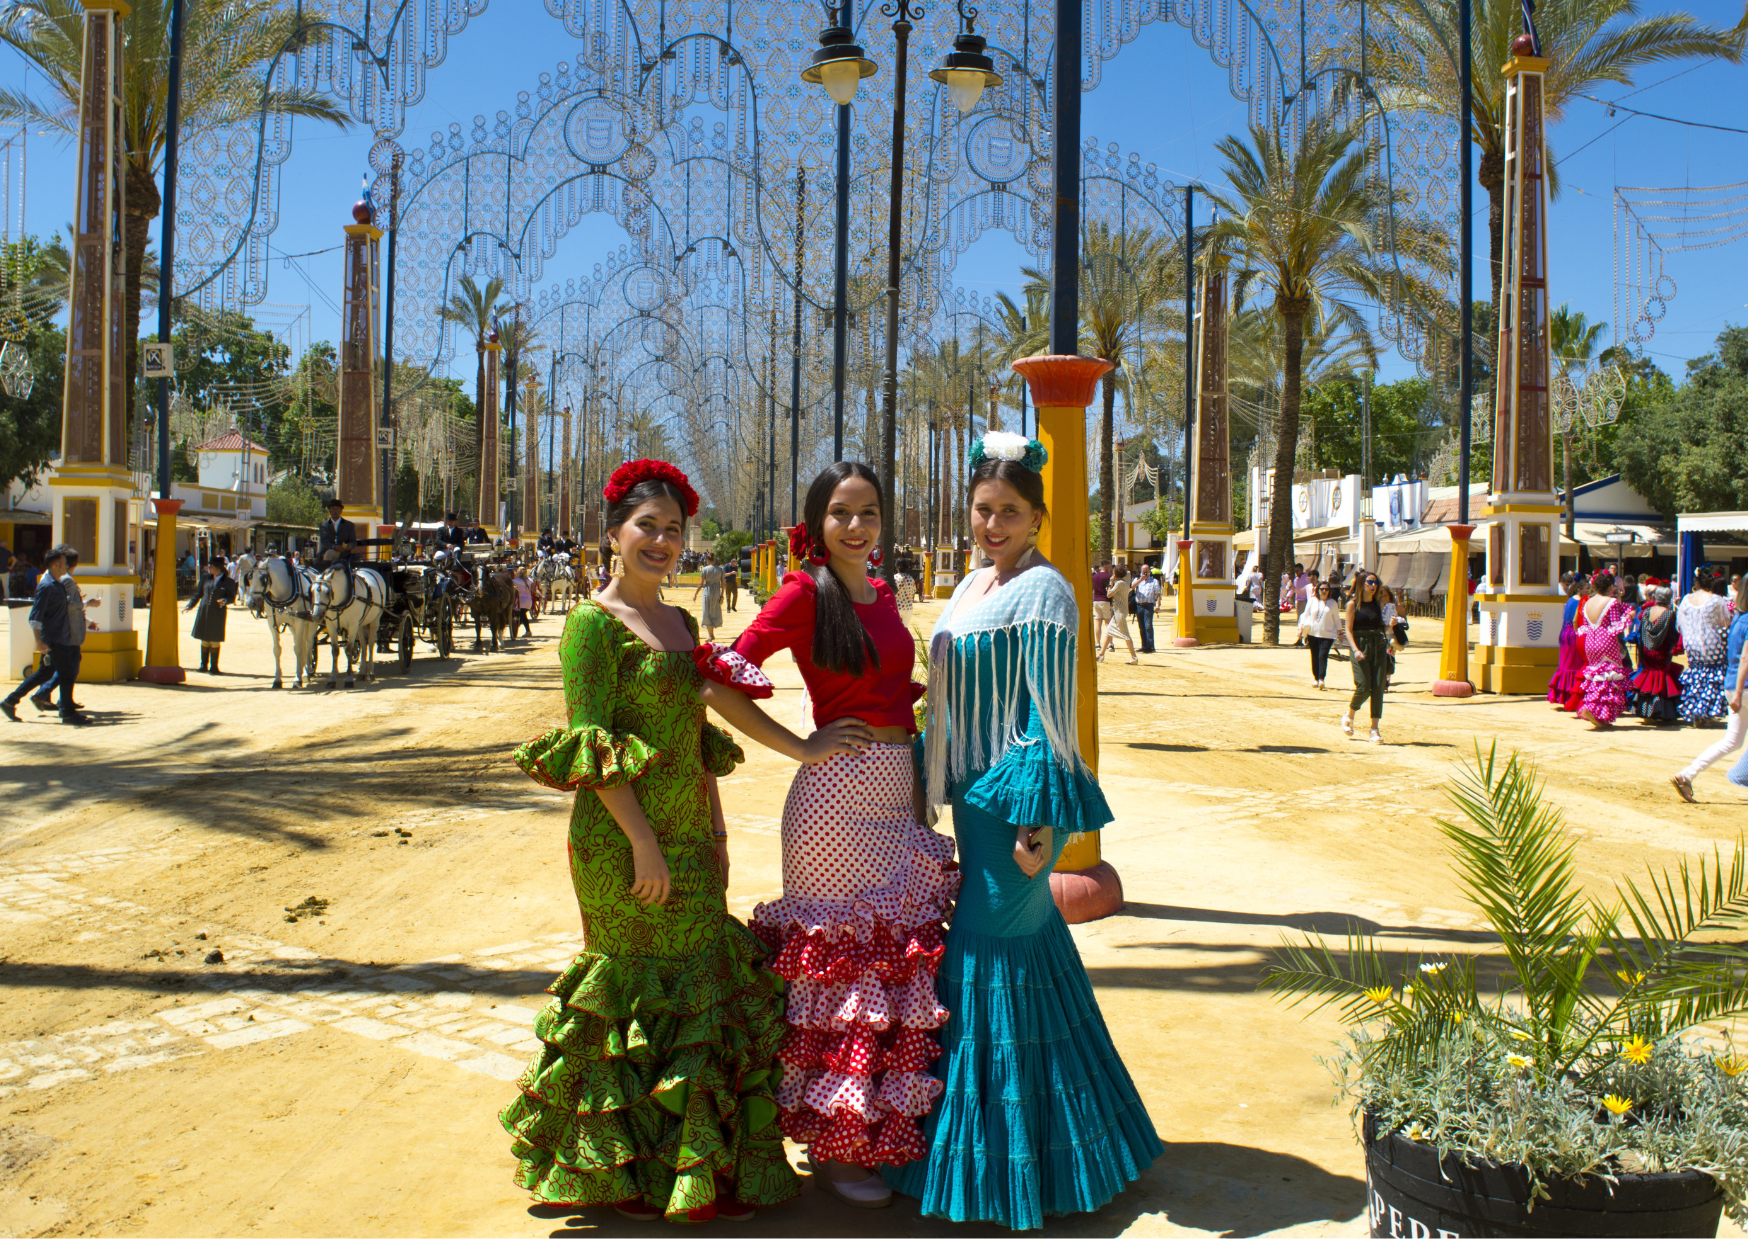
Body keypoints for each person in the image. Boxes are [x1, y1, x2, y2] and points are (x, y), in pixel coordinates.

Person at [503, 460, 795, 1223]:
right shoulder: (590, 627)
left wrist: (722, 820)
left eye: (673, 529)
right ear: (613, 535)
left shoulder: (681, 624)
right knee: (632, 992)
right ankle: (623, 1173)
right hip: (619, 841)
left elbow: (701, 729)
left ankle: (694, 1174)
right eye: (647, 527)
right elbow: (591, 748)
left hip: (692, 833)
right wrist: (644, 845)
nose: (662, 541)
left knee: (700, 985)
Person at [890, 432, 1162, 1228]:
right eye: (983, 509)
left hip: (1015, 814)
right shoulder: (973, 583)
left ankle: (1009, 1167)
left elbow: (1050, 715)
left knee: (990, 953)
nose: (993, 522)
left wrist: (1038, 821)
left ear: (1039, 517)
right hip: (973, 803)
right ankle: (1078, 1141)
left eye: (1010, 510)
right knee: (1028, 953)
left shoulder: (1046, 592)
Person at [703, 462, 956, 1207]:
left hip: (893, 789)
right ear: (816, 523)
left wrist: (915, 792)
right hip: (832, 804)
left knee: (894, 968)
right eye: (841, 513)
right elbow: (720, 676)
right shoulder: (802, 593)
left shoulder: (881, 594)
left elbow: (901, 708)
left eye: (869, 512)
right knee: (846, 976)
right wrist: (799, 747)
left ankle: (880, 1133)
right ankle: (840, 1147)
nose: (856, 526)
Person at [1677, 575, 1748, 802]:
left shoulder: (1738, 618)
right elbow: (1746, 658)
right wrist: (1738, 693)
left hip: (1732, 683)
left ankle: (1687, 774)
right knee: (1732, 741)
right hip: (1742, 687)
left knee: (1732, 741)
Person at [1, 544, 90, 725]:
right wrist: (39, 641)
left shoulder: (56, 584)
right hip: (54, 638)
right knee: (66, 673)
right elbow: (35, 616)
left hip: (59, 636)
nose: (67, 566)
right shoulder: (47, 586)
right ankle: (67, 712)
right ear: (56, 564)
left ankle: (10, 701)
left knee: (44, 673)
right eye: (65, 563)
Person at [1575, 570, 1633, 728]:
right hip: (1606, 641)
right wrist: (1629, 616)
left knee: (1596, 676)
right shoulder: (1611, 602)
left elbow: (1584, 626)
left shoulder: (1587, 602)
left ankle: (1592, 708)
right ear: (1609, 587)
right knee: (1609, 678)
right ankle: (1602, 715)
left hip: (1590, 642)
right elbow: (1616, 627)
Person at [1678, 568, 1732, 726]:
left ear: (1697, 582)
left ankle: (1696, 710)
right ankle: (1707, 710)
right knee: (1713, 677)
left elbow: (1680, 624)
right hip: (1712, 642)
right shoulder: (1716, 600)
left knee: (1697, 675)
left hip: (1692, 643)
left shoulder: (1687, 599)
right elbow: (1725, 621)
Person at [1341, 570, 1389, 743]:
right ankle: (1350, 714)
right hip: (1360, 645)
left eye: (1376, 583)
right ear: (1362, 584)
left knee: (1378, 686)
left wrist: (1392, 625)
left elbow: (1385, 628)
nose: (1374, 586)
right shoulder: (1353, 604)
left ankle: (1374, 729)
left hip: (1378, 644)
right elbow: (1348, 629)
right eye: (1370, 582)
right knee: (1363, 685)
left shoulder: (1379, 604)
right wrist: (1355, 649)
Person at [1630, 585, 1682, 724]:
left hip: (1647, 650)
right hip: (1661, 650)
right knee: (1661, 678)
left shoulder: (1647, 611)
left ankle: (1645, 711)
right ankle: (1661, 711)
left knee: (1648, 677)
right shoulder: (1669, 613)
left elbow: (1641, 631)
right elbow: (1671, 635)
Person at [185, 556, 239, 673]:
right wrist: (189, 605)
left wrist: (225, 600)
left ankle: (214, 667)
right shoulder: (205, 578)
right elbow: (198, 594)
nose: (209, 568)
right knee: (204, 639)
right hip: (204, 611)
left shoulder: (229, 582)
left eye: (211, 566)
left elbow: (231, 597)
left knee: (214, 640)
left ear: (218, 568)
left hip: (217, 612)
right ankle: (203, 665)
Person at [1546, 573, 1584, 708]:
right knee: (1574, 665)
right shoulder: (1580, 602)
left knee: (1565, 665)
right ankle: (1570, 696)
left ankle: (1563, 696)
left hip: (1565, 633)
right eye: (1587, 589)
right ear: (1580, 590)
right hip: (1573, 634)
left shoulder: (1570, 600)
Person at [1302, 579, 1339, 689]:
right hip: (1313, 633)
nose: (1324, 591)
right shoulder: (1312, 601)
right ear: (1318, 590)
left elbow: (1336, 619)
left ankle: (1321, 678)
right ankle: (1316, 678)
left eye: (1326, 589)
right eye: (1322, 589)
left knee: (1322, 655)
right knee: (1315, 656)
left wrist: (1340, 632)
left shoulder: (1333, 603)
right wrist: (1301, 627)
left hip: (1328, 634)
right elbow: (1306, 614)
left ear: (1329, 591)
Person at [1097, 564, 1138, 664]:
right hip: (1119, 612)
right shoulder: (1124, 583)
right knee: (1108, 632)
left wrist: (1110, 584)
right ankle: (1101, 655)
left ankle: (1134, 657)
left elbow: (1109, 595)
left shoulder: (1119, 583)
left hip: (1119, 612)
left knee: (1126, 634)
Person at [317, 497, 358, 589]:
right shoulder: (324, 525)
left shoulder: (349, 525)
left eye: (337, 509)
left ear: (340, 511)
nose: (335, 511)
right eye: (332, 509)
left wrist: (348, 546)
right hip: (328, 552)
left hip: (344, 553)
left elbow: (353, 541)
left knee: (331, 553)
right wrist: (334, 547)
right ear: (330, 511)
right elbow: (324, 541)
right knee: (330, 552)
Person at [691, 552, 724, 642]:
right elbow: (723, 583)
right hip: (717, 591)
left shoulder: (705, 569)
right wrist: (722, 595)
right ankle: (711, 634)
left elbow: (701, 584)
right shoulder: (720, 569)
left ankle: (710, 635)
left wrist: (695, 594)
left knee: (707, 611)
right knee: (714, 610)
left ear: (708, 560)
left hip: (708, 591)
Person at [1132, 562, 1161, 652]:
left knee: (1148, 626)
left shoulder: (1154, 581)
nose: (1144, 572)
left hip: (1148, 606)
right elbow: (1132, 587)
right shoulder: (1137, 580)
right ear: (1141, 571)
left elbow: (1158, 594)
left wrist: (1157, 605)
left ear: (1149, 572)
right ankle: (1144, 645)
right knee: (1141, 627)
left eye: (1146, 571)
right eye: (1143, 571)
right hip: (1139, 606)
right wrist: (1140, 579)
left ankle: (1150, 646)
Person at [509, 565, 536, 638]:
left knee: (522, 616)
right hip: (528, 601)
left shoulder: (515, 581)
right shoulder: (529, 580)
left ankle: (528, 631)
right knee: (522, 615)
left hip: (520, 602)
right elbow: (534, 590)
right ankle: (520, 628)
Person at [1090, 559, 1112, 649]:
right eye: (1110, 567)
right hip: (1105, 600)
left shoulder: (1094, 577)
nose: (1110, 569)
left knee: (1098, 622)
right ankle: (1110, 644)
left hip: (1096, 600)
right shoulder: (1109, 577)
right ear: (1105, 566)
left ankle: (1098, 644)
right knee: (1108, 622)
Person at [1292, 564, 1311, 645]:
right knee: (1299, 620)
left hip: (1305, 601)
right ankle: (1300, 638)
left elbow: (1303, 590)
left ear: (1302, 570)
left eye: (1298, 570)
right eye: (1295, 571)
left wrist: (1294, 589)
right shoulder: (1296, 579)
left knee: (1304, 620)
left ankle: (1305, 638)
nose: (1296, 572)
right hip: (1298, 601)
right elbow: (1293, 590)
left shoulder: (1306, 579)